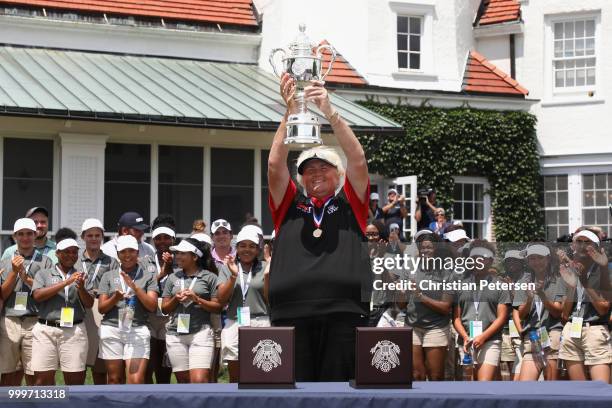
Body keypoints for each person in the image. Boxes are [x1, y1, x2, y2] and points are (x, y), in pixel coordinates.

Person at [267, 73, 371, 381]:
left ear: (338, 175)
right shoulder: (290, 205)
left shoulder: (351, 203)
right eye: (308, 169)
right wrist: (290, 111)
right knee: (294, 392)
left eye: (323, 167)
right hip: (291, 311)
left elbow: (359, 159)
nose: (315, 173)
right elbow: (275, 165)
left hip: (344, 310)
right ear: (300, 178)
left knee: (338, 393)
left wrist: (330, 112)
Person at [31, 238, 93, 385]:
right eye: (66, 252)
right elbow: (37, 296)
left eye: (74, 252)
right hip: (46, 329)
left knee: (75, 382)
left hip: (74, 330)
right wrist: (66, 282)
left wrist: (82, 288)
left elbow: (89, 303)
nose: (71, 255)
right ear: (57, 253)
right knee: (42, 381)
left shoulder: (82, 275)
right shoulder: (44, 273)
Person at [98, 235, 159, 384]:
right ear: (118, 255)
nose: (127, 255)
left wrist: (135, 288)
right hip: (111, 328)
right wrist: (115, 298)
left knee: (136, 380)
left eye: (131, 251)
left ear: (137, 253)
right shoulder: (108, 276)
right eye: (123, 251)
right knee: (114, 379)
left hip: (137, 329)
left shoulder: (148, 276)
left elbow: (152, 306)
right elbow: (101, 308)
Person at [0, 218, 54, 386]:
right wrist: (13, 273)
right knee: (8, 373)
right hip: (10, 320)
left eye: (29, 234)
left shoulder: (46, 261)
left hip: (35, 320)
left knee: (34, 373)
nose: (25, 238)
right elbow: (2, 294)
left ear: (35, 235)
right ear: (15, 236)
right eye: (21, 234)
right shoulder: (6, 260)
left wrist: (28, 279)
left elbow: (47, 293)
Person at [162, 238, 221, 383]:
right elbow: (164, 309)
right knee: (183, 383)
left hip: (201, 332)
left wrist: (197, 300)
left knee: (199, 381)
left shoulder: (210, 277)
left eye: (183, 253)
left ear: (195, 256)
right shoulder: (172, 278)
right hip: (175, 335)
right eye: (177, 253)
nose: (178, 256)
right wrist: (176, 299)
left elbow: (218, 307)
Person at [217, 228, 270, 383]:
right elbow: (221, 299)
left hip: (261, 321)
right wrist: (233, 276)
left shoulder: (265, 266)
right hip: (235, 321)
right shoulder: (228, 266)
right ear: (237, 248)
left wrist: (267, 275)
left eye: (251, 246)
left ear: (258, 249)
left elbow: (269, 299)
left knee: (261, 373)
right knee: (236, 377)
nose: (247, 250)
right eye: (243, 246)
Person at [559, 229, 611, 382]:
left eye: (586, 242)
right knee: (579, 393)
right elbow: (564, 314)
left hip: (594, 330)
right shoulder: (568, 271)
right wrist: (572, 286)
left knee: (601, 391)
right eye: (578, 242)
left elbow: (603, 308)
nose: (582, 246)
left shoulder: (604, 270)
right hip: (571, 329)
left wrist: (583, 281)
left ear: (595, 247)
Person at [453, 240, 510, 381]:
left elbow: (501, 317)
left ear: (490, 261)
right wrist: (466, 337)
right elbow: (456, 318)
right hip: (466, 341)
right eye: (474, 258)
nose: (477, 261)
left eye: (482, 258)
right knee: (467, 385)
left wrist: (483, 337)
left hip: (490, 340)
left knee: (483, 384)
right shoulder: (460, 284)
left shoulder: (500, 285)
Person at [405, 233, 453, 381]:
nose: (425, 251)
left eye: (429, 247)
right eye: (422, 248)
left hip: (436, 327)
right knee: (415, 375)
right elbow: (400, 304)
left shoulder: (446, 271)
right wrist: (401, 291)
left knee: (435, 376)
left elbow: (446, 307)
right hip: (412, 326)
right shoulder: (411, 269)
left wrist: (420, 296)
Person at [514, 244, 565, 381]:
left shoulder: (558, 279)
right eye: (532, 258)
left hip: (552, 333)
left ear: (548, 259)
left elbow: (557, 313)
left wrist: (542, 295)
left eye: (540, 258)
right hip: (532, 336)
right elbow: (521, 315)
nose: (536, 262)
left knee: (551, 384)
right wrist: (529, 299)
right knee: (525, 386)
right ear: (528, 261)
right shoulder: (523, 282)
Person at [79, 218, 119, 385]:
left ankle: (99, 398)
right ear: (83, 237)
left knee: (100, 364)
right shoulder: (75, 259)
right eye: (90, 235)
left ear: (102, 237)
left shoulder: (111, 262)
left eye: (97, 235)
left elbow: (116, 287)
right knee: (78, 362)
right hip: (79, 311)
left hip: (102, 310)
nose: (94, 239)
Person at [144, 224, 177, 384]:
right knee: (148, 364)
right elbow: (141, 286)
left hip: (170, 313)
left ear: (173, 239)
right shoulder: (145, 262)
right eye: (158, 238)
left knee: (164, 364)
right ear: (153, 241)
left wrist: (170, 268)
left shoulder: (182, 258)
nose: (162, 241)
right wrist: (160, 274)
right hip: (149, 313)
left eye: (166, 238)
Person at [501, 250, 525, 380]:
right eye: (508, 261)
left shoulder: (528, 278)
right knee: (507, 366)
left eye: (515, 260)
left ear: (522, 263)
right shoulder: (501, 278)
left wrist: (511, 289)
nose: (511, 263)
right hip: (504, 328)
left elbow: (522, 304)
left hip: (521, 326)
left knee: (521, 365)